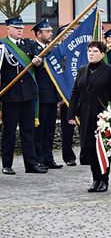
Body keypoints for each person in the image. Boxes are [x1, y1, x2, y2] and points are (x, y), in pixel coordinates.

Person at [0, 16, 47, 175]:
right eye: (16, 28)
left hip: (28, 95)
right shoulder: (2, 46)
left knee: (28, 131)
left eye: (21, 28)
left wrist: (38, 62)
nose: (20, 30)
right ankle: (7, 164)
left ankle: (31, 164)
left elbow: (39, 62)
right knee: (9, 131)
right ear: (8, 29)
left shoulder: (29, 44)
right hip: (10, 96)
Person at [67, 41, 111, 192]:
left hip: (103, 117)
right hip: (86, 117)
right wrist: (71, 113)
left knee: (103, 149)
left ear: (102, 54)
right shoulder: (82, 70)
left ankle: (104, 179)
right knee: (90, 149)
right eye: (89, 51)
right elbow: (75, 93)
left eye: (95, 51)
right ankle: (95, 179)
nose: (91, 54)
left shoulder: (110, 70)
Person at [31, 19, 63, 170]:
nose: (51, 33)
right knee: (40, 129)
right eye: (47, 31)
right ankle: (39, 159)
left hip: (52, 94)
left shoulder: (51, 49)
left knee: (50, 130)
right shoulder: (33, 49)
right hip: (40, 95)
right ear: (38, 33)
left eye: (51, 31)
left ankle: (48, 158)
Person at [56, 24, 77, 166]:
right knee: (67, 128)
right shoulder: (58, 53)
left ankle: (87, 154)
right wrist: (60, 99)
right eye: (66, 33)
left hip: (81, 95)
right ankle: (68, 156)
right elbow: (56, 76)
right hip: (65, 98)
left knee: (86, 127)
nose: (69, 35)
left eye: (71, 33)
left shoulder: (79, 50)